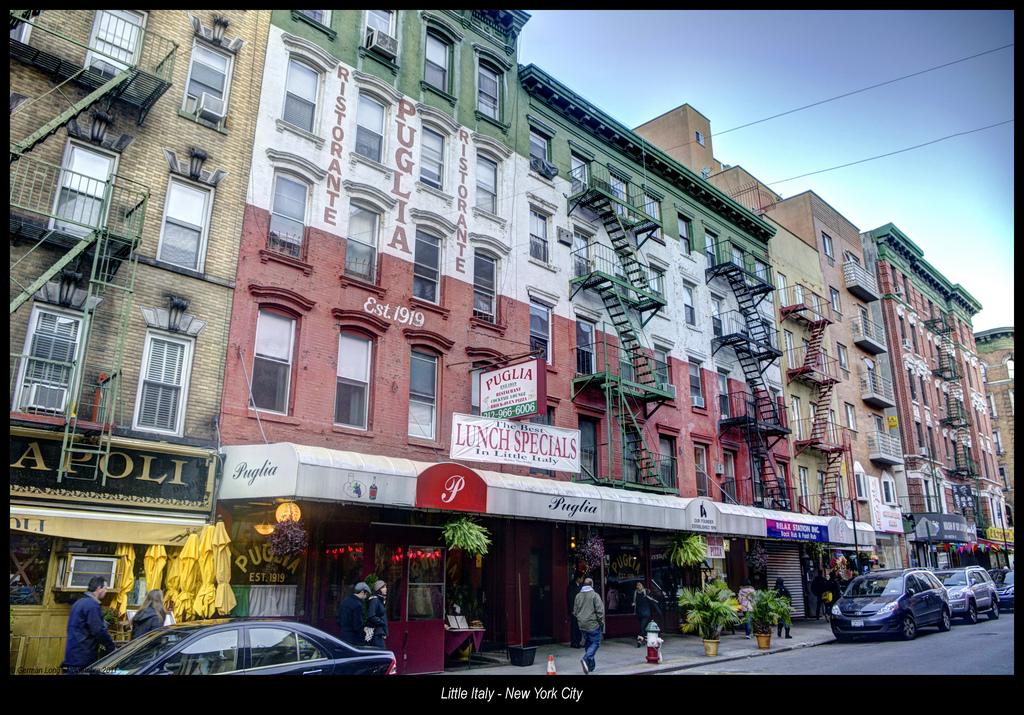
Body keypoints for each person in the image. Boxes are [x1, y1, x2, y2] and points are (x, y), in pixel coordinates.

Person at [62, 576, 117, 673]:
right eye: (105, 588)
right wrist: (111, 647)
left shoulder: (78, 603)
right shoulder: (92, 605)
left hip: (73, 654)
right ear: (99, 588)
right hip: (84, 656)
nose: (106, 591)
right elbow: (98, 631)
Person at [573, 577, 605, 674]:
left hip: (582, 624)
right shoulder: (595, 595)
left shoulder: (578, 596)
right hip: (592, 623)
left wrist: (580, 618)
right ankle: (586, 659)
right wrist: (601, 622)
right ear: (592, 585)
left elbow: (575, 611)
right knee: (596, 643)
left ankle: (590, 666)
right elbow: (600, 611)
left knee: (588, 644)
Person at [337, 581, 370, 646]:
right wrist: (365, 633)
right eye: (366, 594)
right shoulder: (358, 605)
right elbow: (357, 625)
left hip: (343, 637)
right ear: (362, 592)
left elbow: (338, 620)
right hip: (354, 640)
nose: (366, 596)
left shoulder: (345, 601)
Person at [632, 582, 662, 647]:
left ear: (642, 585)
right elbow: (634, 602)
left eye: (640, 585)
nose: (639, 586)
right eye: (637, 585)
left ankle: (639, 640)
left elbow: (652, 600)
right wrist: (633, 604)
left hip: (646, 613)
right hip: (639, 612)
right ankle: (645, 639)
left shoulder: (646, 591)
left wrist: (658, 611)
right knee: (642, 627)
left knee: (642, 627)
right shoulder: (635, 593)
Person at [366, 580, 389, 648]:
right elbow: (371, 616)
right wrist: (382, 623)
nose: (386, 589)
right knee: (381, 654)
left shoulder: (380, 600)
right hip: (376, 633)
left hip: (379, 632)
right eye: (383, 587)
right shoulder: (375, 600)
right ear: (378, 589)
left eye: (385, 587)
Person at [566, 574, 584, 648]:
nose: (582, 580)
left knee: (579, 626)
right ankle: (574, 642)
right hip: (574, 609)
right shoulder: (571, 586)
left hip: (580, 609)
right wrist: (572, 609)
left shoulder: (580, 586)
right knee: (574, 626)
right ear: (578, 578)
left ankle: (578, 641)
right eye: (581, 578)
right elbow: (570, 599)